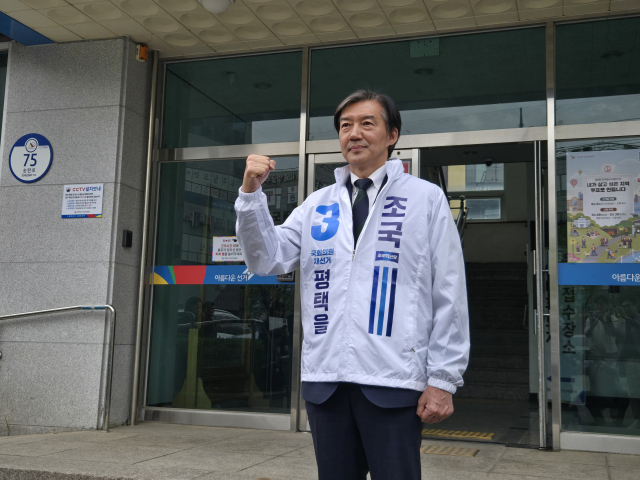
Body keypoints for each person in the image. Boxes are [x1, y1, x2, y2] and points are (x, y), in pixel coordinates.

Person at [234, 90, 469, 480]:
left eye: (366, 123)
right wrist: (251, 196)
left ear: (392, 135)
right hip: (326, 381)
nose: (354, 133)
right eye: (345, 126)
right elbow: (266, 258)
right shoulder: (318, 205)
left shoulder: (424, 199)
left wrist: (443, 379)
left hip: (393, 380)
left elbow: (449, 292)